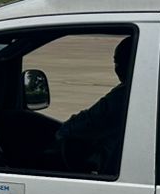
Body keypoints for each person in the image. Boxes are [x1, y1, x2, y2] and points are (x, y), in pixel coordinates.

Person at [53, 36, 133, 175]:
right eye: (115, 62)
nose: (117, 68)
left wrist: (59, 135)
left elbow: (85, 123)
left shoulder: (125, 95)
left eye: (120, 62)